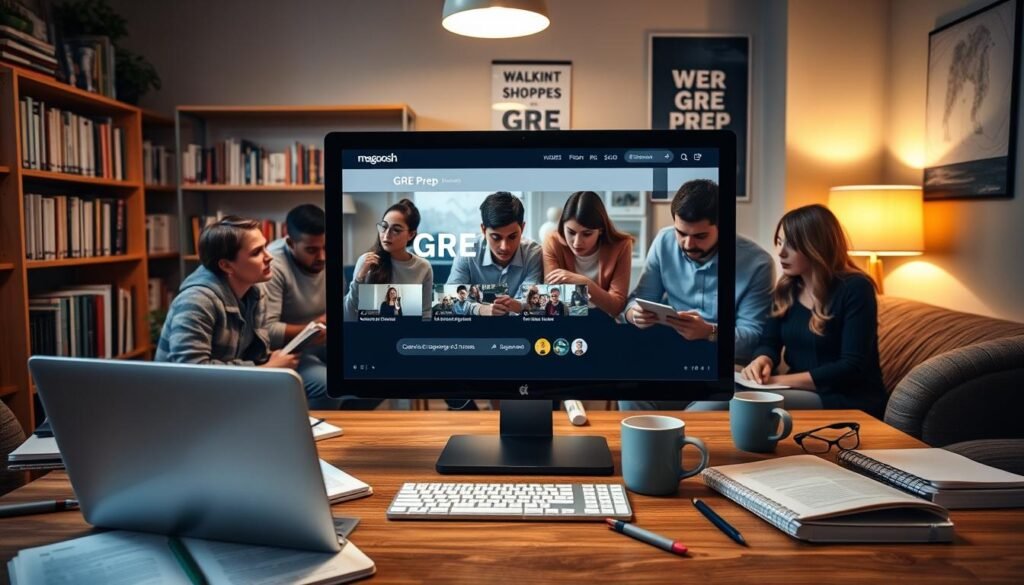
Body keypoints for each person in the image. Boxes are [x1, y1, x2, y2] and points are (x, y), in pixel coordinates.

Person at [619, 179, 773, 410]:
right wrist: (634, 314)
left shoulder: (758, 263)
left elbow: (752, 338)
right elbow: (637, 299)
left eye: (700, 236)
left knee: (706, 410)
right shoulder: (664, 241)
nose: (688, 244)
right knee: (629, 390)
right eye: (681, 233)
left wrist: (709, 332)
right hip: (670, 356)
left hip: (727, 366)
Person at [739, 204, 887, 417]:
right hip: (797, 389)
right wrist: (763, 359)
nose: (780, 252)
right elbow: (768, 343)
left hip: (848, 397)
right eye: (779, 242)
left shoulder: (856, 288)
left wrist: (776, 381)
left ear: (816, 246)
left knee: (740, 399)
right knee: (725, 391)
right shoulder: (786, 288)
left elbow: (851, 365)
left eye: (791, 245)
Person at [156, 217, 299, 374]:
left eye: (265, 247)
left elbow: (253, 356)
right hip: (184, 395)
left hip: (229, 389)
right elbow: (191, 369)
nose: (269, 256)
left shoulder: (256, 291)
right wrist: (268, 368)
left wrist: (272, 359)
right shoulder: (197, 301)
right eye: (256, 252)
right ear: (226, 265)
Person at [262, 204, 339, 409]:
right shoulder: (271, 266)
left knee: (378, 370)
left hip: (322, 343)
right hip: (287, 351)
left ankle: (350, 426)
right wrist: (311, 328)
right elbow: (266, 330)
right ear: (290, 243)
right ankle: (318, 435)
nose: (322, 257)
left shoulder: (325, 254)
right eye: (312, 250)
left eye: (326, 247)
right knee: (328, 385)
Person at [447, 191, 543, 314]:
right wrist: (481, 309)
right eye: (496, 237)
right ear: (483, 230)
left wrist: (518, 305)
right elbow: (452, 299)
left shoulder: (533, 254)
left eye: (512, 237)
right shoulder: (468, 251)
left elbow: (531, 299)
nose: (504, 247)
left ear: (523, 228)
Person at [543, 191, 633, 316]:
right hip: (564, 318)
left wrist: (585, 283)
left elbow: (617, 306)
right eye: (571, 232)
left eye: (587, 234)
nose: (576, 243)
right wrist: (601, 297)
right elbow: (551, 297)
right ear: (562, 226)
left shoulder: (622, 246)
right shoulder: (552, 241)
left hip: (602, 319)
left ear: (600, 230)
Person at [344, 198, 433, 321]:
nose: (386, 235)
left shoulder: (423, 267)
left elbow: (425, 314)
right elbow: (349, 315)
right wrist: (359, 278)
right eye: (384, 227)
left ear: (411, 234)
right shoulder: (366, 261)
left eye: (396, 230)